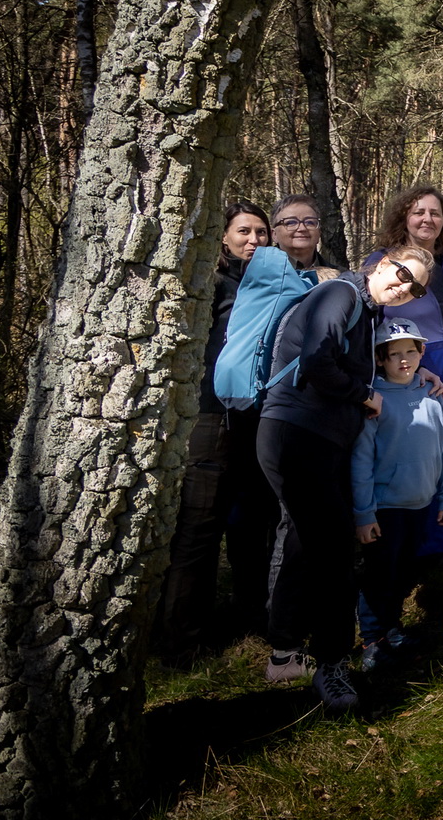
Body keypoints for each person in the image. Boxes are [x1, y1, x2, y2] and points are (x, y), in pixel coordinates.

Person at [258, 245, 433, 714]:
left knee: (304, 542)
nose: (405, 287)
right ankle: (331, 664)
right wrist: (363, 395)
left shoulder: (369, 313)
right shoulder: (341, 294)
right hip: (297, 434)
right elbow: (318, 361)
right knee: (335, 551)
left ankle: (284, 652)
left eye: (416, 287)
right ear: (383, 263)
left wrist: (421, 372)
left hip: (318, 439)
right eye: (402, 274)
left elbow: (366, 362)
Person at [158, 202, 276, 666]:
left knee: (253, 525)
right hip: (211, 419)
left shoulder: (269, 282)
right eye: (244, 231)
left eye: (261, 232)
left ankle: (250, 617)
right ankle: (181, 644)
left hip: (258, 419)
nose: (254, 240)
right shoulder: (211, 283)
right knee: (199, 531)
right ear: (224, 236)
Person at [352, 319, 443, 671]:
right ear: (379, 359)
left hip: (421, 503)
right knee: (379, 575)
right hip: (385, 507)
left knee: (404, 573)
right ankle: (372, 641)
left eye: (410, 352)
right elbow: (361, 461)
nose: (403, 360)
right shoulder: (373, 402)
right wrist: (364, 513)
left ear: (422, 353)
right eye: (394, 354)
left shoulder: (434, 395)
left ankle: (392, 629)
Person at [364, 185, 443, 343]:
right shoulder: (384, 261)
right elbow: (366, 322)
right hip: (405, 357)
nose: (427, 219)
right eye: (419, 213)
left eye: (435, 214)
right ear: (404, 219)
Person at [271, 194, 339, 271]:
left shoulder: (340, 276)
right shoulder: (261, 274)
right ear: (274, 235)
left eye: (310, 222)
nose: (302, 228)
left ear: (319, 232)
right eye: (291, 222)